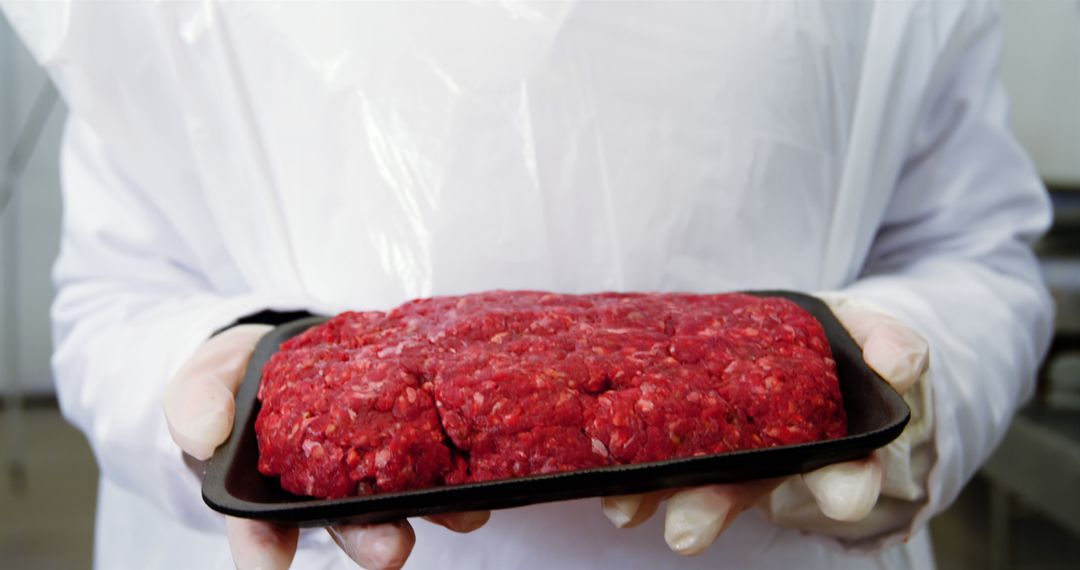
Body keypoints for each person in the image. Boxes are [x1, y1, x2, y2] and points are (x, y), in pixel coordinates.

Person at [1, 1, 1053, 568]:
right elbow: (114, 291)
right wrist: (216, 384)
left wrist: (910, 386)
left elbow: (974, 243)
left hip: (777, 545)